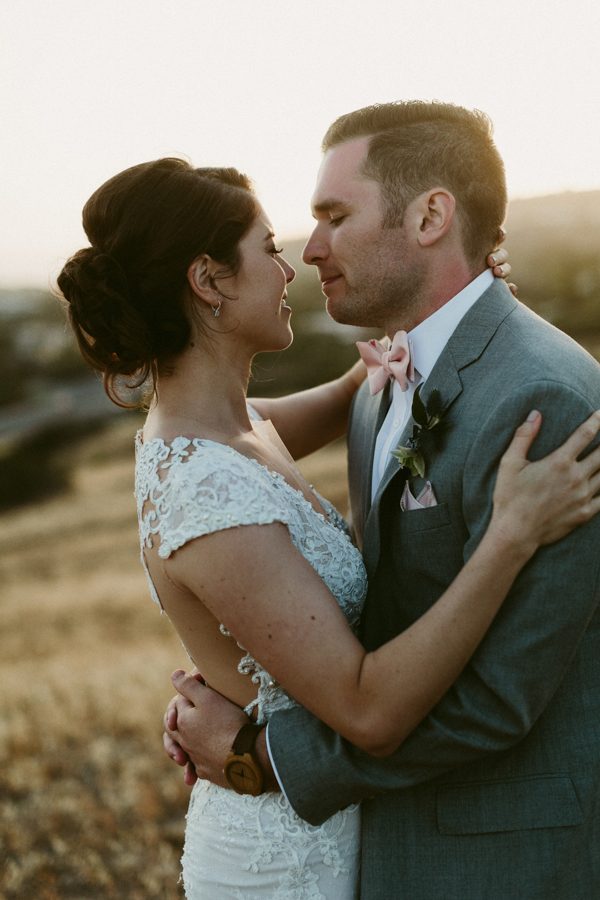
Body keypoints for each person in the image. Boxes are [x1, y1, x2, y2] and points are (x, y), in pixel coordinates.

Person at [162, 103, 600, 900]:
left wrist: (262, 753)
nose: (312, 249)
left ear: (432, 215)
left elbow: (498, 702)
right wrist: (239, 677)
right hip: (380, 847)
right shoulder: (380, 382)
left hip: (501, 863)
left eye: (334, 215)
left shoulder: (543, 400)